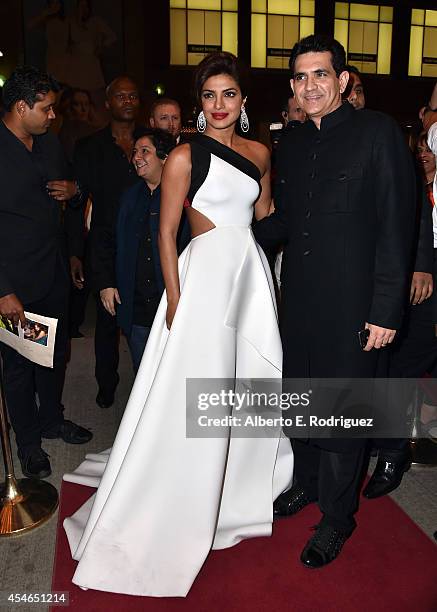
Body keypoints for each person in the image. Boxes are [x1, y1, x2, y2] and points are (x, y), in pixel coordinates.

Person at [63, 51, 293, 597]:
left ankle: (237, 483)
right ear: (199, 103)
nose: (218, 105)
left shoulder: (261, 152)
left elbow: (266, 217)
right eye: (209, 95)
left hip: (249, 275)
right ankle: (185, 486)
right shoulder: (185, 156)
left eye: (228, 94)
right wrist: (175, 297)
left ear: (242, 101)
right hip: (202, 279)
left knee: (246, 382)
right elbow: (167, 232)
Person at [254, 34, 415, 568]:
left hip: (355, 309)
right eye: (300, 77)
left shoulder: (378, 133)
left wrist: (385, 311)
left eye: (320, 74)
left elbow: (397, 225)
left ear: (343, 80)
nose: (309, 86)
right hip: (298, 304)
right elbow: (284, 220)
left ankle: (336, 518)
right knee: (299, 401)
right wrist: (229, 229)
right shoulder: (293, 143)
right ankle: (304, 484)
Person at [0, 66, 92, 480]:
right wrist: (2, 290)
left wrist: (75, 195)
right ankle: (29, 443)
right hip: (14, 283)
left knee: (53, 354)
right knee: (19, 365)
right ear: (21, 107)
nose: (54, 115)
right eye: (47, 108)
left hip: (53, 270)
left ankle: (52, 420)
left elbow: (71, 196)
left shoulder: (50, 144)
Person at [65, 75, 142, 408]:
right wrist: (74, 253)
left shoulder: (151, 142)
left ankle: (149, 386)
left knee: (146, 319)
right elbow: (77, 200)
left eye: (132, 96)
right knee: (108, 321)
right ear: (108, 104)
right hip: (105, 244)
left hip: (147, 243)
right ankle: (106, 384)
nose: (127, 101)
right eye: (120, 96)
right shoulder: (90, 147)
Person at [113, 128, 189, 372]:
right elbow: (115, 243)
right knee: (143, 376)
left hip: (171, 301)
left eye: (145, 151)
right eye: (135, 151)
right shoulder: (128, 197)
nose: (136, 157)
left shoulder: (185, 199)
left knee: (176, 374)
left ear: (165, 158)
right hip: (137, 309)